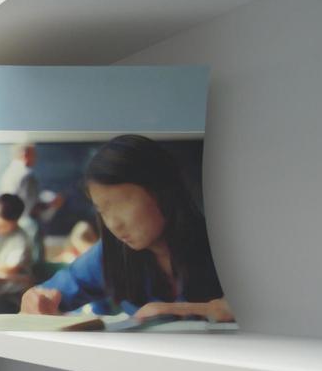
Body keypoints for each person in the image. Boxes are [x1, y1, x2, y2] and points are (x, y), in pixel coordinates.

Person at [21, 135, 234, 322]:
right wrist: (35, 300)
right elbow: (52, 293)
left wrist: (179, 310)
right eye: (103, 211)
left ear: (162, 193)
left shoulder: (223, 243)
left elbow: (255, 309)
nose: (113, 224)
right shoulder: (109, 253)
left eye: (122, 205)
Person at [0, 193, 34, 314]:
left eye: (2, 225)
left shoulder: (21, 240)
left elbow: (10, 269)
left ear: (15, 222)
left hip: (10, 296)